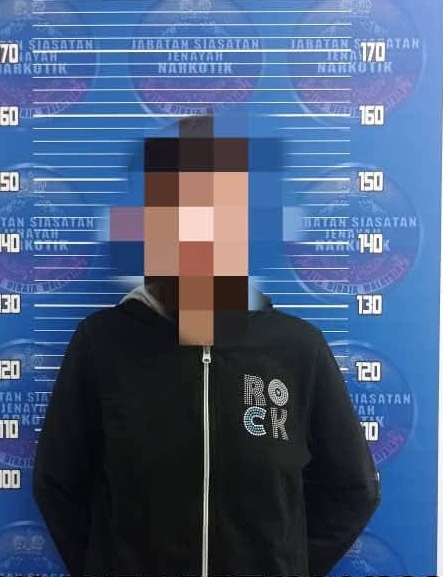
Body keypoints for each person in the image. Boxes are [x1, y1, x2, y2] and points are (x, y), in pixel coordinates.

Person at [32, 115, 381, 577]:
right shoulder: (101, 344)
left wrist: (283, 564)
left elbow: (352, 488)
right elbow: (58, 484)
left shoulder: (299, 349)